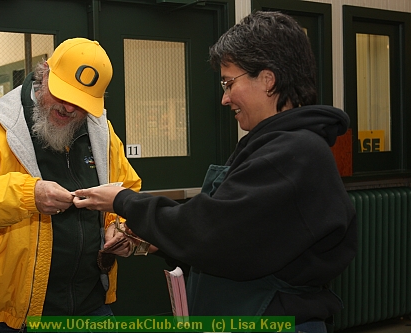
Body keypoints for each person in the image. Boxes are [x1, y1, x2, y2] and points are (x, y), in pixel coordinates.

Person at [73, 11, 357, 333]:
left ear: (268, 79)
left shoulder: (294, 154)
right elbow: (239, 238)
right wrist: (152, 242)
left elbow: (212, 232)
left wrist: (124, 201)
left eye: (228, 82)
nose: (224, 98)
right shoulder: (268, 146)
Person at [0, 37, 141, 332]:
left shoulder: (101, 134)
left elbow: (126, 188)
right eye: (62, 94)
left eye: (80, 103)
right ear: (44, 75)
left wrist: (118, 226)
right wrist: (27, 195)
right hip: (13, 318)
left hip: (93, 307)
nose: (68, 108)